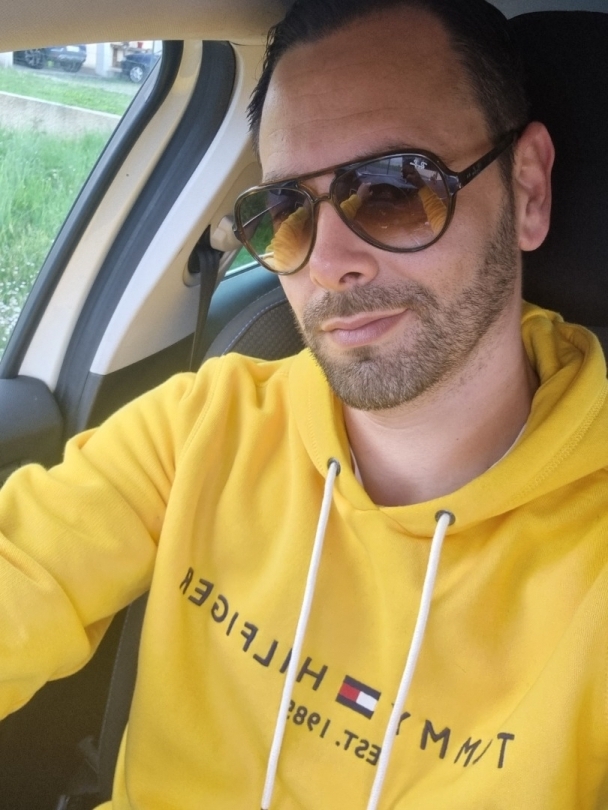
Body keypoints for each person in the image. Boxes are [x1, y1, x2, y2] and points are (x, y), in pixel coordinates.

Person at [1, 0, 607, 808]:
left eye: (394, 189)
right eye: (285, 213)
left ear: (527, 189)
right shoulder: (205, 426)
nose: (327, 265)